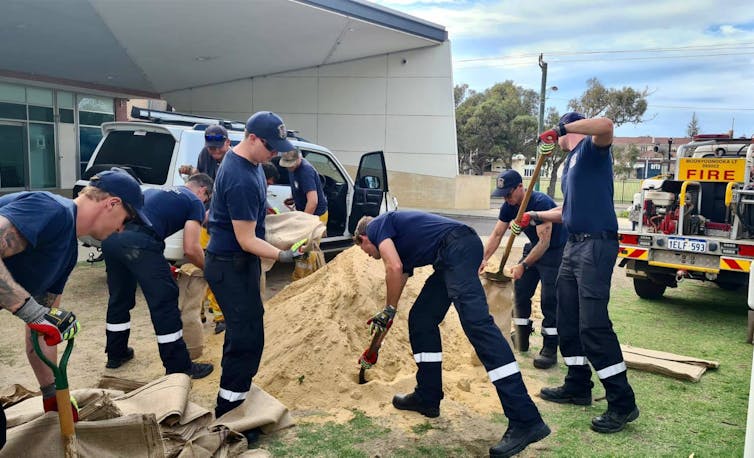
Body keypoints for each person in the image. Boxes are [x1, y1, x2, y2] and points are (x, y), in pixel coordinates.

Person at [354, 211, 550, 457]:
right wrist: (386, 320)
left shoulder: (376, 226)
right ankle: (428, 396)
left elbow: (392, 266)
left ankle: (526, 419)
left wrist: (389, 309)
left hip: (457, 246)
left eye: (368, 252)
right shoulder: (400, 241)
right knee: (422, 319)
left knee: (478, 325)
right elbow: (400, 275)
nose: (372, 257)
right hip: (450, 255)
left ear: (363, 238)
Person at [0, 167, 144, 443]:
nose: (122, 228)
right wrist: (29, 310)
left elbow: (43, 329)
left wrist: (52, 391)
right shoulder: (52, 209)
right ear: (112, 204)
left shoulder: (67, 253)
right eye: (127, 218)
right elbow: (35, 314)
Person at [519, 112, 639, 433]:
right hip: (573, 246)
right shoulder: (570, 164)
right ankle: (577, 385)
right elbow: (565, 211)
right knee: (566, 317)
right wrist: (534, 214)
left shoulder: (590, 148)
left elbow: (608, 125)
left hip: (596, 246)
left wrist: (563, 127)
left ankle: (622, 402)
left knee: (593, 325)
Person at [205, 111, 305, 443]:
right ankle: (228, 416)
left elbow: (252, 224)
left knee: (248, 334)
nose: (274, 153)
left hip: (239, 263)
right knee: (245, 339)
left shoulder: (253, 167)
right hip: (229, 264)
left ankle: (237, 403)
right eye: (270, 147)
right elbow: (246, 239)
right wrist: (283, 255)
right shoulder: (241, 176)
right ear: (251, 138)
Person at [101, 173, 216, 379]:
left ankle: (116, 353)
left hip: (112, 239)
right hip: (141, 243)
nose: (205, 205)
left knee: (119, 298)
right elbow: (191, 248)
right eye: (206, 200)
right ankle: (179, 367)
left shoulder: (162, 191)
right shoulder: (194, 202)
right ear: (203, 192)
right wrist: (210, 270)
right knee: (164, 303)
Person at [480, 169, 567, 369]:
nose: (506, 199)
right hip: (534, 247)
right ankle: (521, 337)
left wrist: (524, 265)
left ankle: (550, 348)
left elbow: (544, 243)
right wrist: (483, 258)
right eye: (502, 195)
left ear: (520, 187)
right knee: (519, 293)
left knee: (549, 299)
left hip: (555, 250)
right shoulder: (509, 206)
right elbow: (496, 234)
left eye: (508, 194)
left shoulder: (540, 203)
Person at [179, 125, 231, 334]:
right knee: (202, 267)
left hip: (222, 223)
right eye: (212, 149)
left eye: (219, 148)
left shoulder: (234, 161)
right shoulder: (205, 155)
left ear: (228, 142)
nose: (216, 153)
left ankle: (221, 316)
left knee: (217, 269)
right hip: (204, 219)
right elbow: (202, 182)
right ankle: (197, 314)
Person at [279, 149, 328, 223]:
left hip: (316, 216)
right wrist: (293, 199)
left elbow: (313, 202)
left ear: (299, 158)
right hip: (303, 212)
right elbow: (298, 187)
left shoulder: (306, 172)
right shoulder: (292, 169)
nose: (288, 167)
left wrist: (303, 222)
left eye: (291, 165)